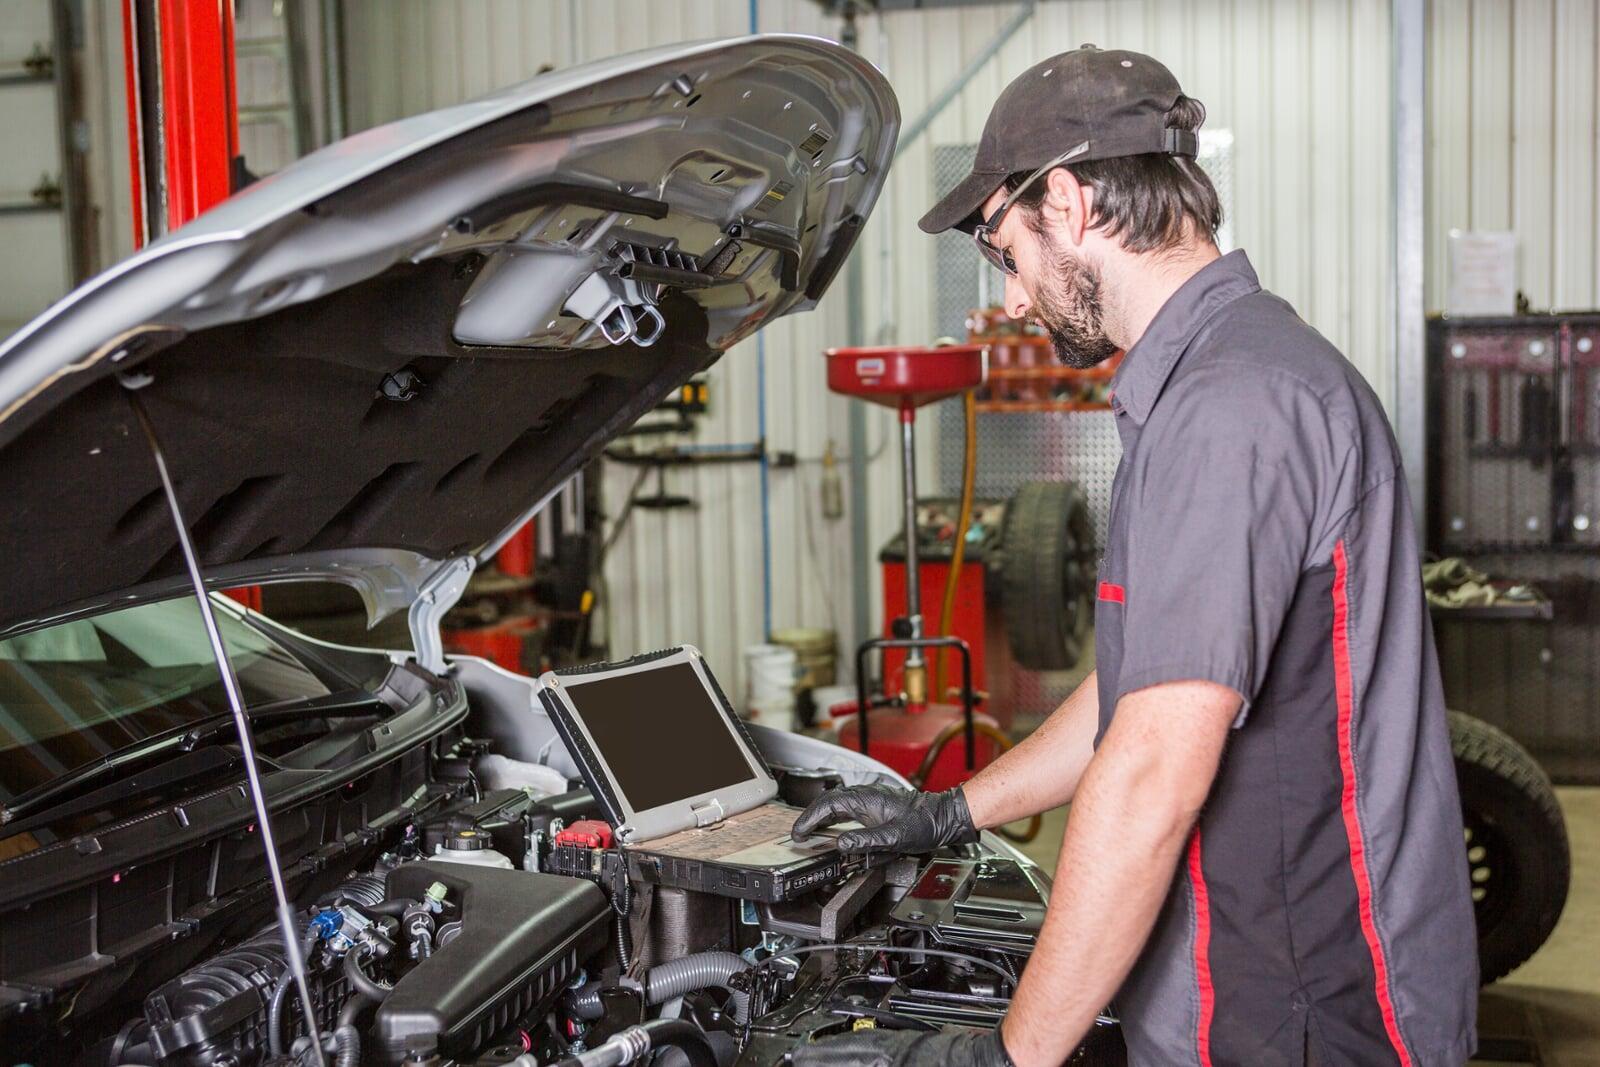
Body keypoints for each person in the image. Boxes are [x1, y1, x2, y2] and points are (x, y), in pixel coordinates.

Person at [790, 45, 1477, 1067]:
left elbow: (1152, 765)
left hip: (1289, 1007)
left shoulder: (1229, 405)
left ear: (1063, 203)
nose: (1016, 297)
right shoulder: (1234, 374)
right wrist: (943, 812)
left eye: (1003, 248)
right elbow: (1138, 689)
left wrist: (1010, 1053)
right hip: (1267, 979)